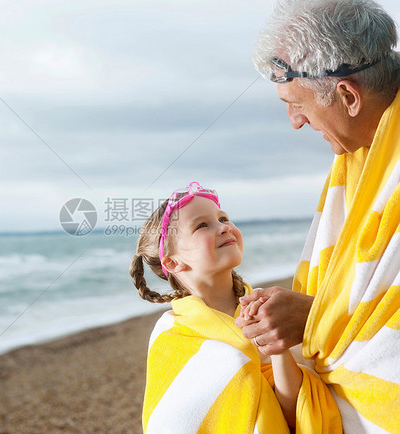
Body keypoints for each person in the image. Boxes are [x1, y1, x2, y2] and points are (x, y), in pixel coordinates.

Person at [235, 0, 400, 432]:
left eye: (295, 103)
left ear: (347, 95)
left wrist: (313, 316)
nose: (294, 122)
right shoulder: (361, 155)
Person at [130, 182, 341, 433]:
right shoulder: (172, 336)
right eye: (202, 225)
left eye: (223, 218)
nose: (224, 227)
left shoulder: (269, 309)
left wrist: (277, 348)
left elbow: (293, 412)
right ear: (173, 262)